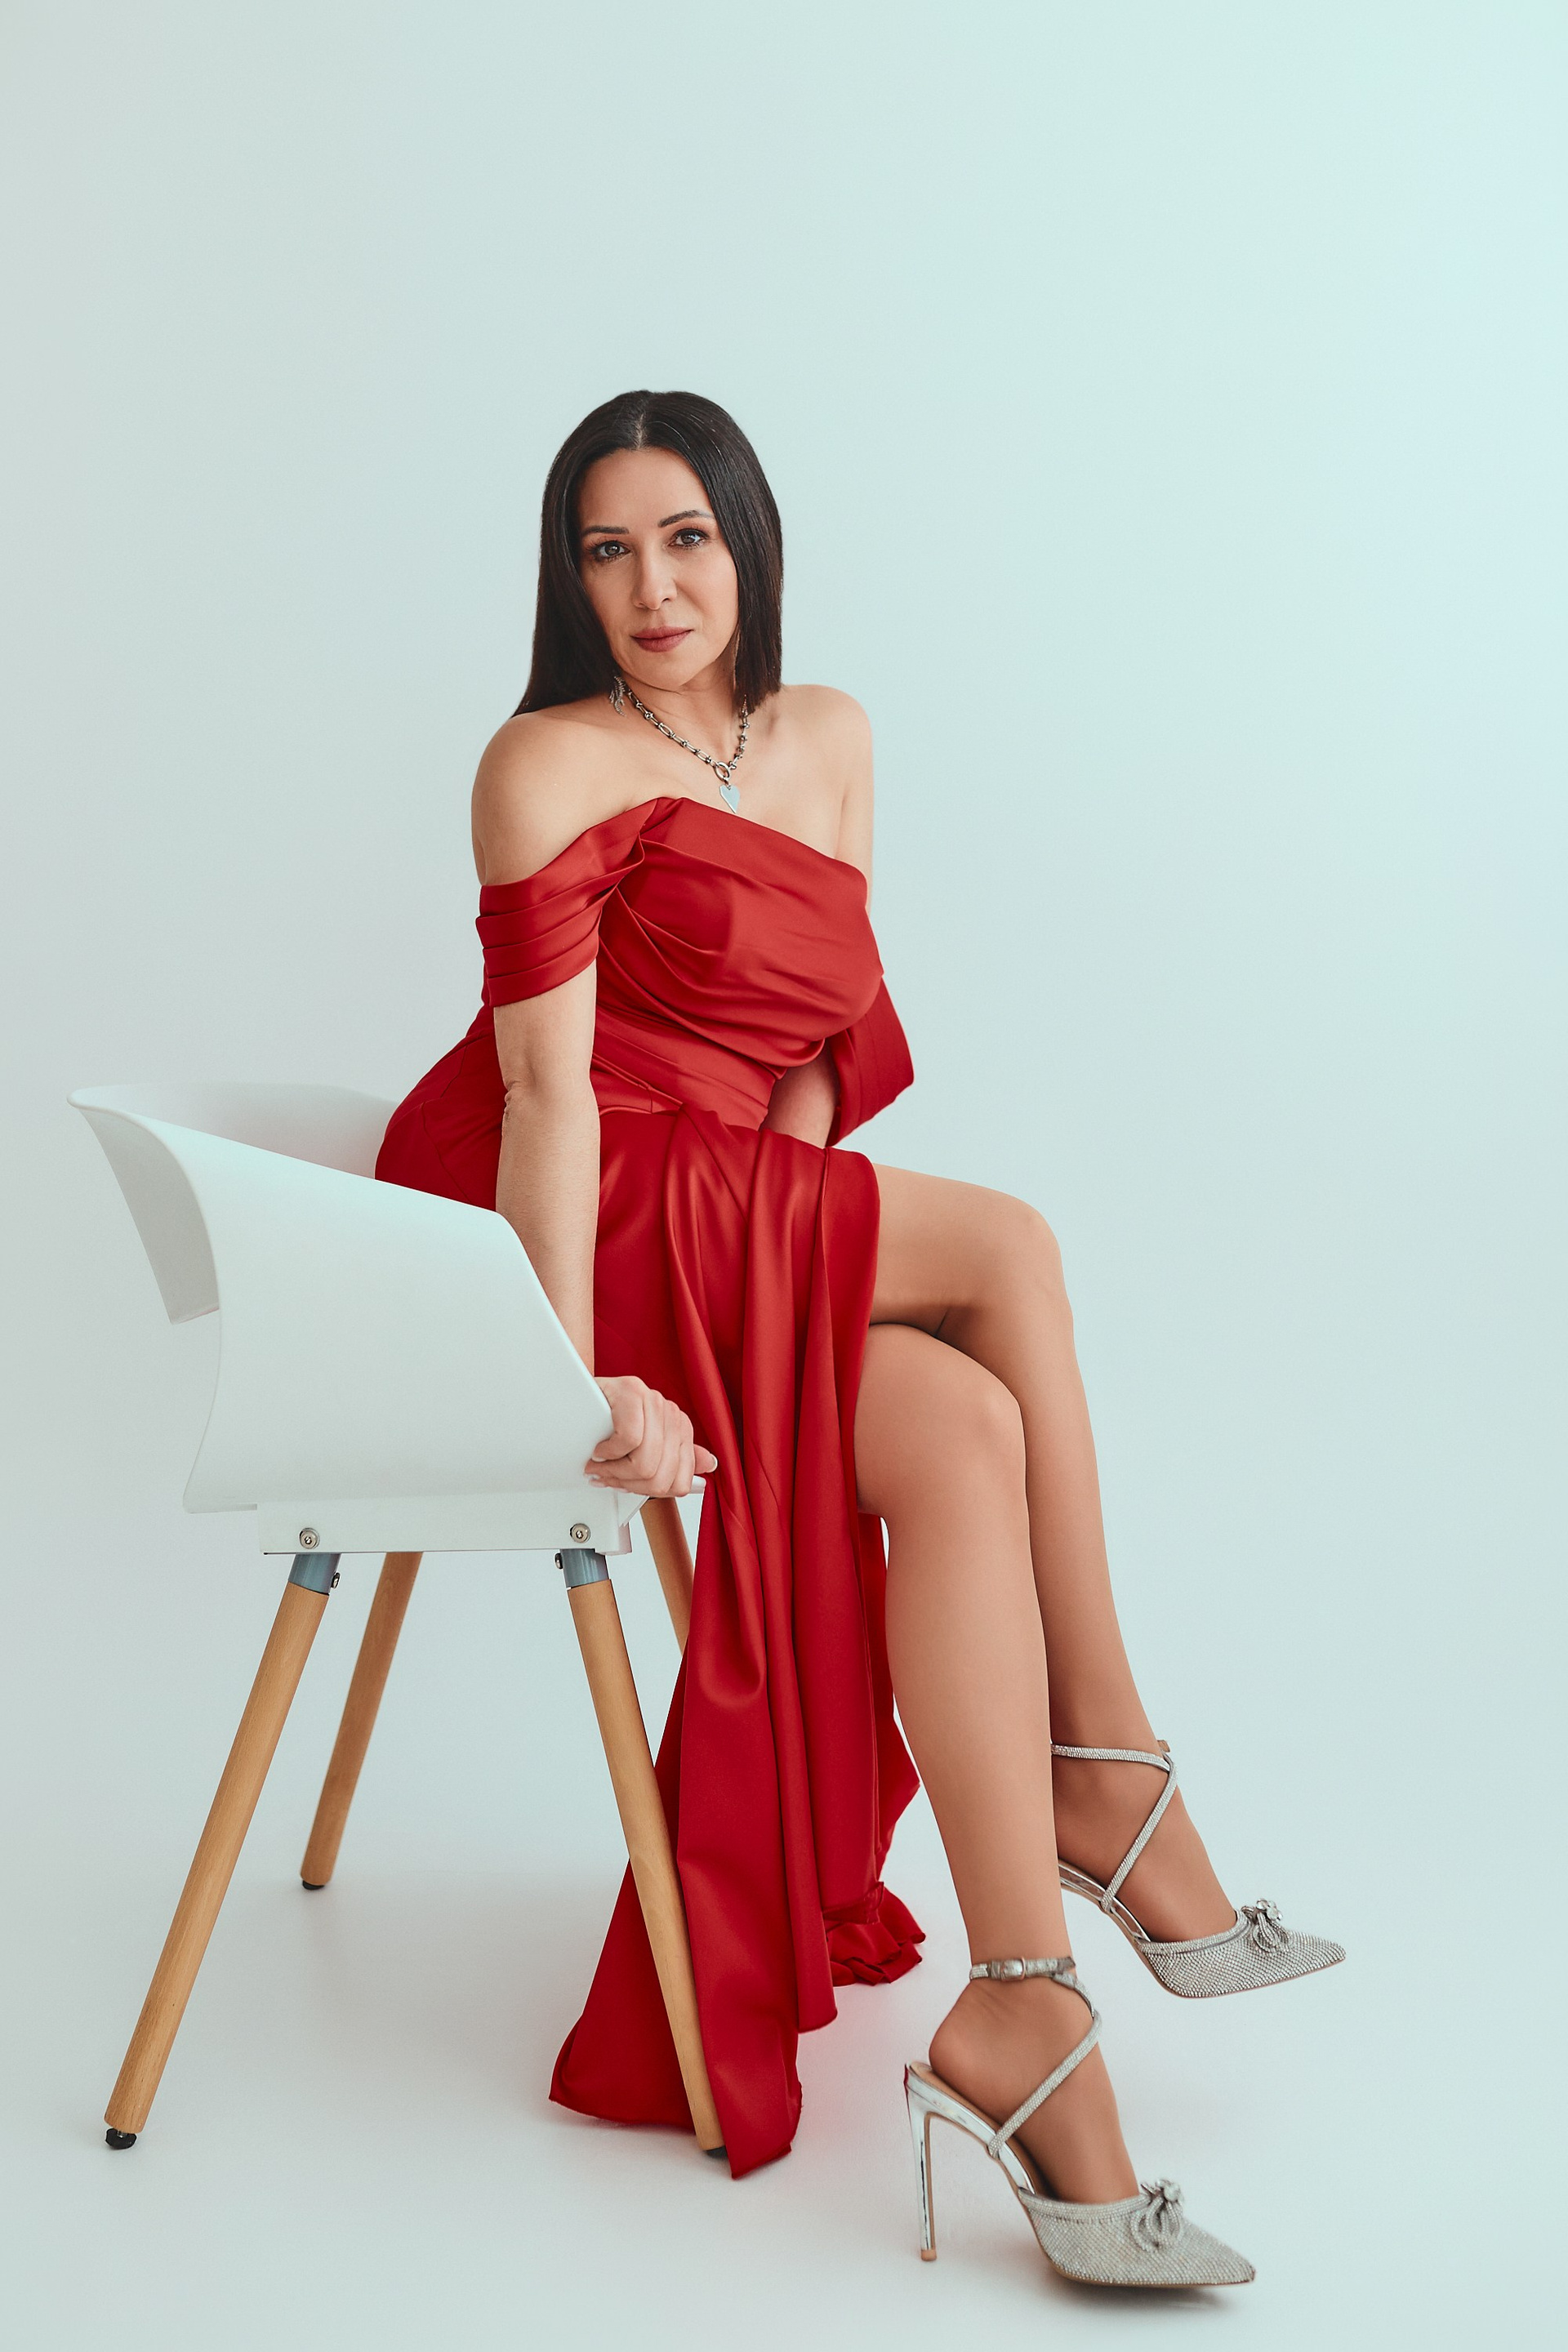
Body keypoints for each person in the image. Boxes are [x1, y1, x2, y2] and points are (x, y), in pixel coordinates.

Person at [376, 388, 1342, 2289]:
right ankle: (1111, 1771)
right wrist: (568, 1373)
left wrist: (800, 1291)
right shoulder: (541, 762)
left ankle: (1025, 2010)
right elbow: (550, 1102)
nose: (653, 587)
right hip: (589, 1209)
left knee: (964, 1428)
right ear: (569, 581)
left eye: (686, 538)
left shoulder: (828, 737)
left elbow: (812, 1064)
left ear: (749, 540)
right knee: (1015, 1247)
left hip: (747, 1204)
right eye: (606, 551)